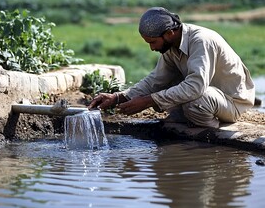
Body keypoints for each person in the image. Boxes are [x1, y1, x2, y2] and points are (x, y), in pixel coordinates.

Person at [88, 7, 255, 128]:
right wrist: (118, 97)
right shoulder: (171, 46)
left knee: (196, 101)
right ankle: (192, 123)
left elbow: (196, 87)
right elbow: (155, 81)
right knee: (172, 105)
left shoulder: (200, 41)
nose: (152, 48)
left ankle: (211, 134)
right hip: (211, 96)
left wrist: (148, 101)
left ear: (169, 33)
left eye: (153, 42)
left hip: (231, 102)